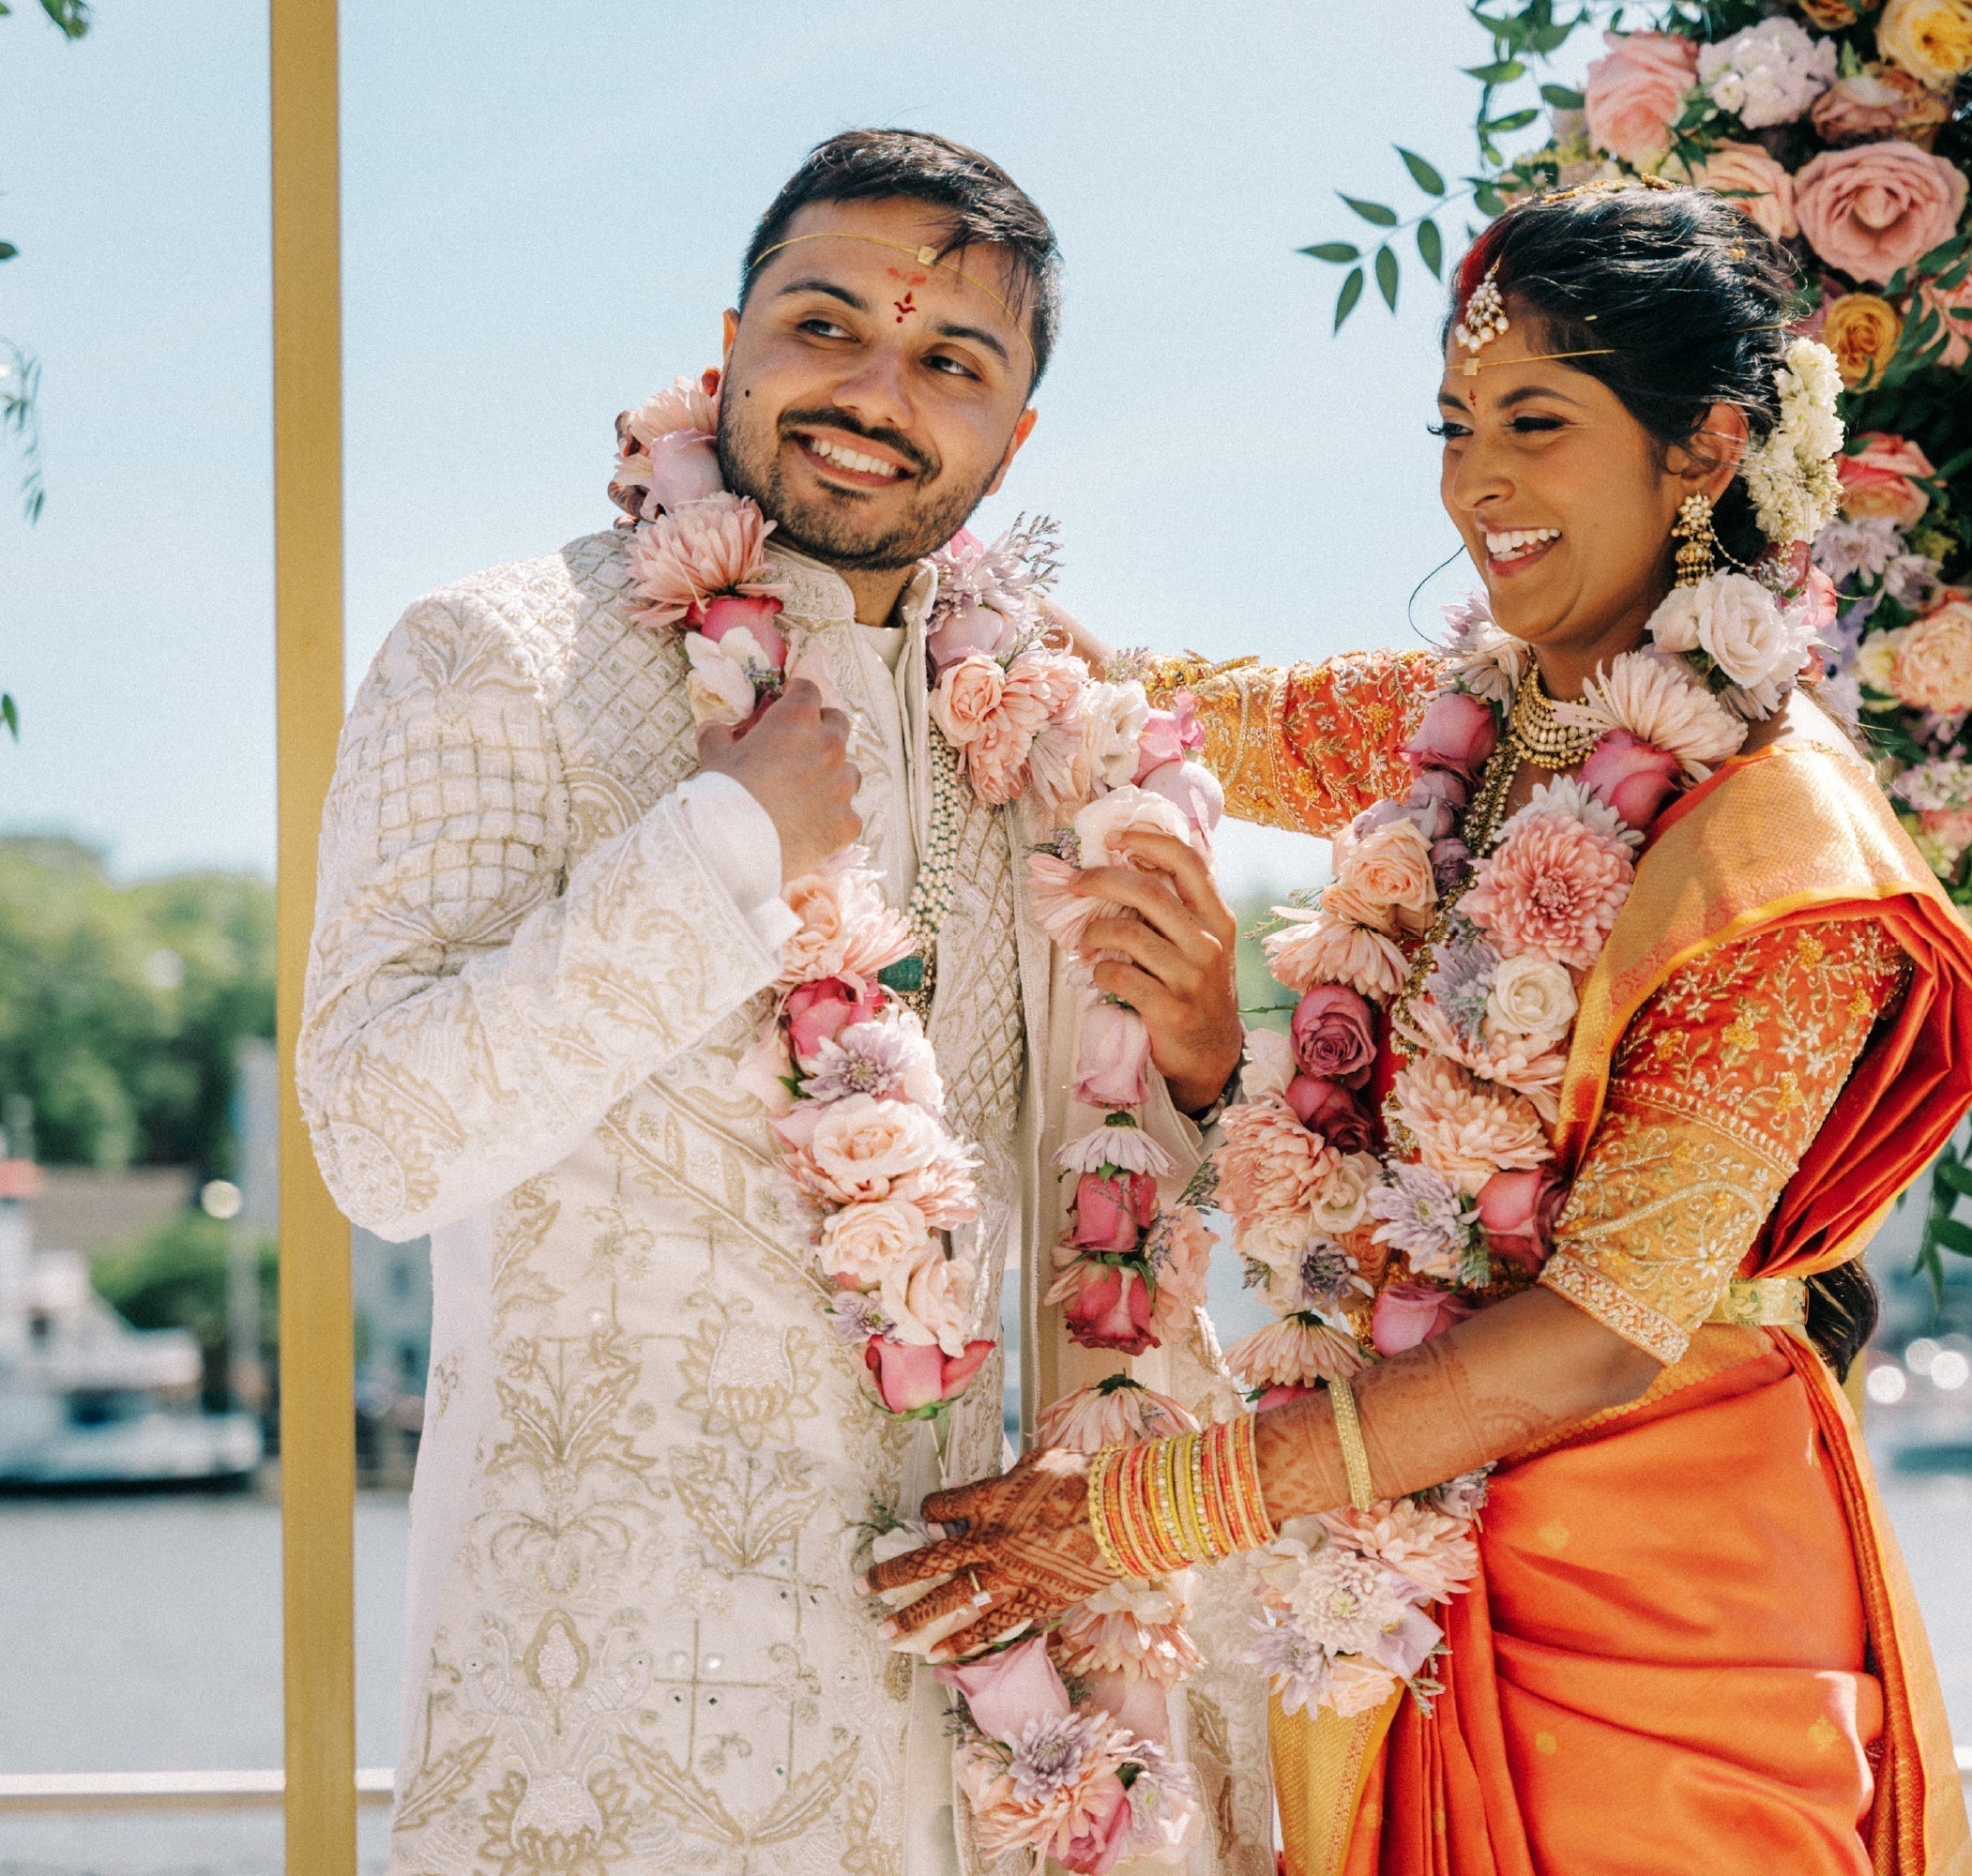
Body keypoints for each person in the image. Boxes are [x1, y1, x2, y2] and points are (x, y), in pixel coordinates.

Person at [872, 185, 1972, 1876]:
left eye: (1536, 424)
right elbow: (1178, 710)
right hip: (1394, 1525)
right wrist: (912, 558)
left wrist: (1138, 1514)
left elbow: (1599, 1333)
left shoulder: (1782, 853)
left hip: (1659, 1587)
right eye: (1455, 426)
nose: (1474, 482)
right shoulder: (1472, 723)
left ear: (1702, 450)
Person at [296, 130, 1271, 1874]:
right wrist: (720, 848)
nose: (876, 392)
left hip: (1021, 1715)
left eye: (952, 363)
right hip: (625, 1733)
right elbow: (377, 1136)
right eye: (828, 326)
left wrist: (1202, 1058)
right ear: (731, 336)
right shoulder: (498, 654)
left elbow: (1123, 1220)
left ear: (1016, 435)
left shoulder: (1055, 734)